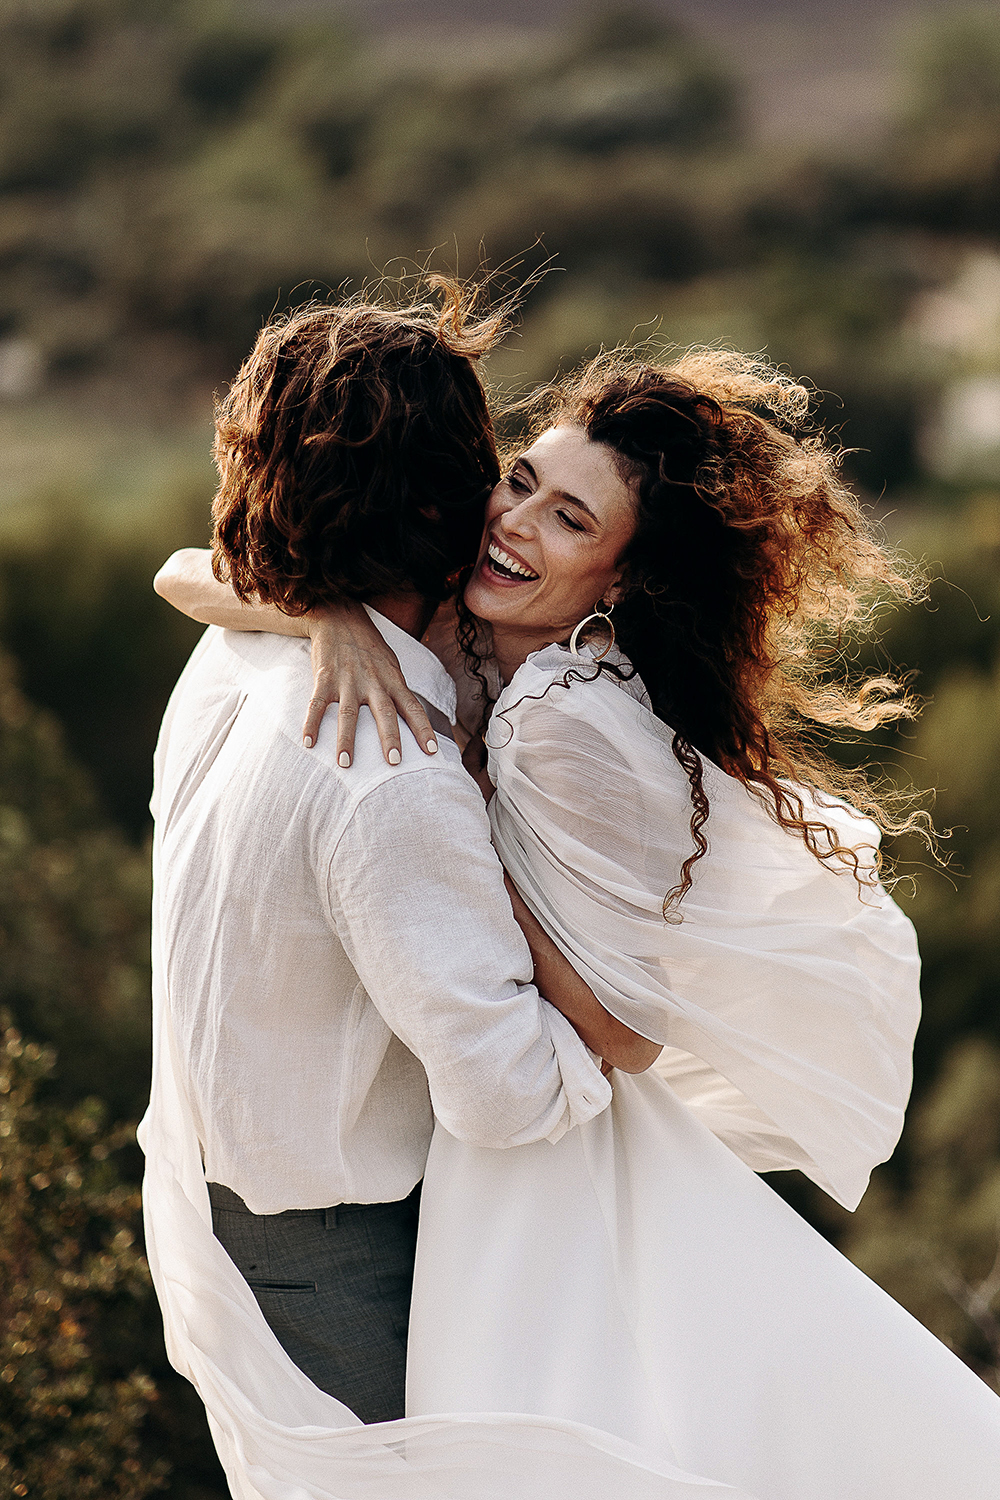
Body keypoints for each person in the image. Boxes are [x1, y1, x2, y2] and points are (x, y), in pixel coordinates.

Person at [159, 335, 1000, 1498]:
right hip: (422, 1162)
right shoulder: (453, 622)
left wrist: (478, 855)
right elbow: (186, 571)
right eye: (521, 483)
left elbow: (626, 1027)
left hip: (535, 1136)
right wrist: (329, 619)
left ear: (617, 581)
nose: (517, 525)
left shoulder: (566, 720)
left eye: (570, 520)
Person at [142, 285, 657, 1448]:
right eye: (506, 475)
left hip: (218, 1199)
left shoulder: (234, 653)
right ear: (447, 499)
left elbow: (195, 569)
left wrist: (322, 608)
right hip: (343, 1257)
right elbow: (509, 1096)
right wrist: (611, 1038)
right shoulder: (395, 775)